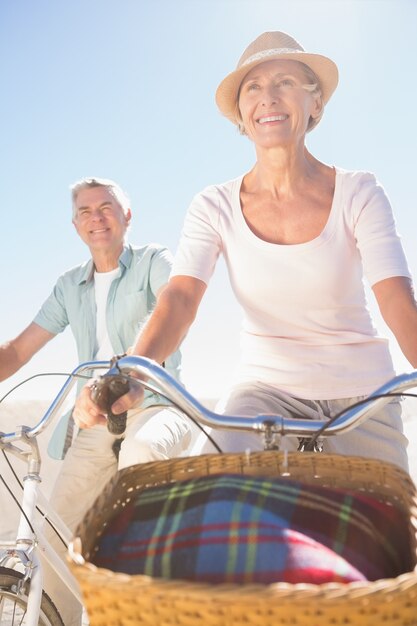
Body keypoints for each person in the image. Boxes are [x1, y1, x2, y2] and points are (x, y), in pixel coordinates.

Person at [76, 31, 417, 475]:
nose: (268, 98)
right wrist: (133, 372)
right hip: (263, 391)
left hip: (363, 394)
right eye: (253, 88)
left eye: (285, 83)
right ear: (241, 113)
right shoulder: (213, 205)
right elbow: (180, 299)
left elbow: (394, 295)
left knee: (389, 532)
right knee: (215, 499)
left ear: (314, 104)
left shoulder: (360, 192)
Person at [0, 177, 190, 625]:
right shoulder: (70, 286)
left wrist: (131, 375)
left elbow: (173, 306)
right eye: (85, 211)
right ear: (75, 225)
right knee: (58, 529)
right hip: (94, 417)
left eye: (106, 207)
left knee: (138, 466)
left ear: (127, 216)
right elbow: (17, 351)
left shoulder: (153, 262)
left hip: (156, 404)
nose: (96, 218)